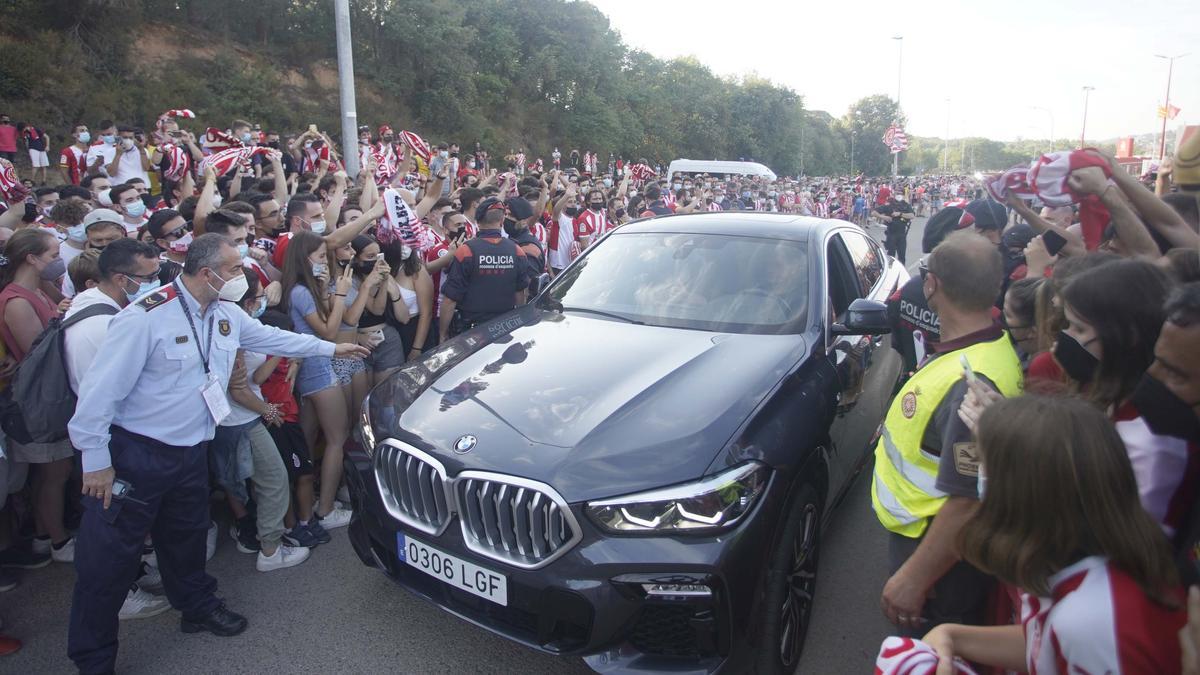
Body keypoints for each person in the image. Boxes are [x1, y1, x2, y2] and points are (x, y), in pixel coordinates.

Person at [66, 233, 368, 673]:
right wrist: (96, 461)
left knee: (185, 538)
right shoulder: (144, 319)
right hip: (137, 453)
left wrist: (330, 346)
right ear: (207, 273)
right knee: (108, 560)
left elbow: (271, 337)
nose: (240, 276)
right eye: (232, 269)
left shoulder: (224, 313)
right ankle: (93, 659)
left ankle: (197, 608)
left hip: (190, 450)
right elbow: (98, 395)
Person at [920, 395, 1185, 674]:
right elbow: (1045, 645)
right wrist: (952, 636)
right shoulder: (1073, 576)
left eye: (985, 471)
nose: (980, 487)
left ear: (1024, 499)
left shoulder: (1092, 619)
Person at [873, 232, 1024, 635]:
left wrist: (914, 580)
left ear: (932, 285)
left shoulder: (970, 382)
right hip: (935, 544)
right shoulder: (985, 349)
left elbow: (969, 499)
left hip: (936, 559)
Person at [63, 239, 172, 620]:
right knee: (114, 530)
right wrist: (98, 459)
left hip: (117, 437)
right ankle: (119, 596)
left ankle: (132, 576)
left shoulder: (102, 308)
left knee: (125, 524)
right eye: (149, 276)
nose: (156, 283)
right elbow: (98, 397)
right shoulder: (102, 325)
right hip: (113, 440)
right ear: (121, 278)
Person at [0, 228, 75, 563]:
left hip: (50, 399)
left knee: (55, 473)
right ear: (31, 258)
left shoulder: (36, 288)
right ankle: (57, 540)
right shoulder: (16, 302)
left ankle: (46, 533)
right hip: (39, 404)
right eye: (53, 255)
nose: (59, 261)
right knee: (52, 476)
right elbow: (39, 356)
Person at [439, 196, 530, 339]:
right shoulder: (517, 250)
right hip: (505, 330)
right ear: (502, 221)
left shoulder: (466, 251)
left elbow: (450, 299)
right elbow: (521, 294)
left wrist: (442, 335)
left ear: (477, 222)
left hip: (471, 333)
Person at [873, 194, 915, 264]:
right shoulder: (889, 205)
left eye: (900, 193)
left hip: (902, 234)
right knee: (891, 257)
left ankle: (901, 272)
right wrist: (883, 217)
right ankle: (890, 271)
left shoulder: (906, 205)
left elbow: (912, 215)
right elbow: (874, 212)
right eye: (897, 193)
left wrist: (900, 214)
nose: (899, 195)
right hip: (891, 233)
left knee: (902, 257)